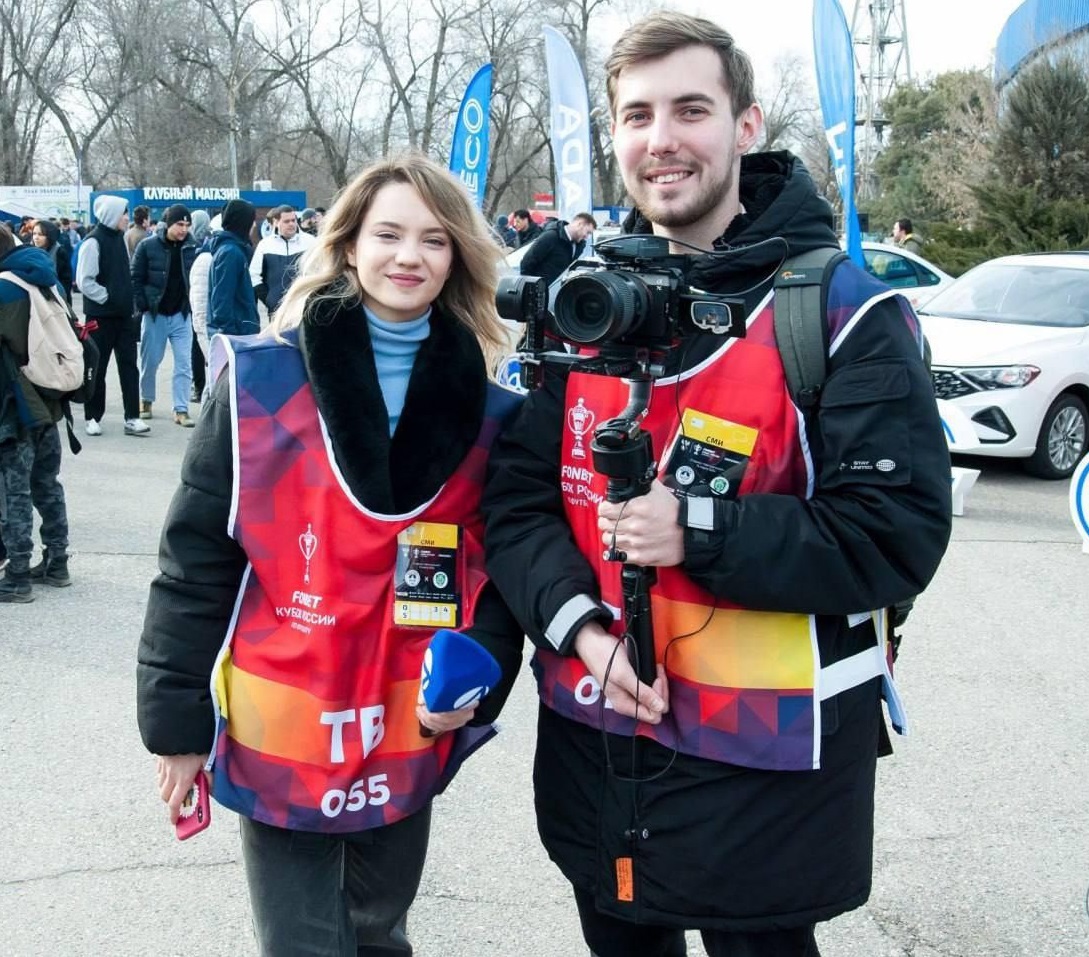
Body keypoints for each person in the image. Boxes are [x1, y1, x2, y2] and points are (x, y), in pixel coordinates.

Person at [480, 12, 952, 957]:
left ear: (745, 125)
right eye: (637, 115)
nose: (661, 139)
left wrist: (696, 531)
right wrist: (582, 633)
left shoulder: (842, 312)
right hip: (602, 745)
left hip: (766, 772)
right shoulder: (585, 303)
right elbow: (517, 505)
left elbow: (894, 532)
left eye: (690, 110)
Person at [137, 152, 525, 956]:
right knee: (303, 945)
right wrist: (176, 726)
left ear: (457, 256)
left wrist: (476, 681)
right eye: (387, 234)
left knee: (378, 935)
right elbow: (194, 566)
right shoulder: (257, 382)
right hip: (285, 726)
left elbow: (497, 584)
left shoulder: (494, 414)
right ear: (348, 244)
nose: (409, 256)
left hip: (404, 725)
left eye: (434, 239)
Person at [0, 224, 72, 601]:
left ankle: (17, 576)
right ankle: (57, 562)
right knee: (47, 483)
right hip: (50, 397)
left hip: (15, 405)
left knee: (14, 490)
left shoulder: (4, 288)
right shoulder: (44, 278)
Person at [77, 194, 149, 436]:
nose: (127, 218)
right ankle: (92, 416)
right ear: (111, 215)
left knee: (129, 366)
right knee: (97, 367)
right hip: (100, 317)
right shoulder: (92, 242)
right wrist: (108, 297)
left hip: (124, 316)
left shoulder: (120, 238)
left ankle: (132, 417)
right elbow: (85, 281)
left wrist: (125, 300)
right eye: (123, 213)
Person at [131, 204, 199, 428]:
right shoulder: (147, 246)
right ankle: (146, 399)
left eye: (187, 225)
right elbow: (135, 277)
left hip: (182, 314)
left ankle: (181, 409)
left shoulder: (193, 247)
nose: (184, 229)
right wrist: (142, 304)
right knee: (150, 361)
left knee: (184, 363)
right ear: (168, 224)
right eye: (179, 224)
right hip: (155, 314)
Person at [207, 199, 260, 342]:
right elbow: (221, 299)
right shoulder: (231, 253)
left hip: (241, 330)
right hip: (237, 334)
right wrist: (230, 335)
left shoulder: (234, 250)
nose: (254, 225)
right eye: (252, 221)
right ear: (243, 223)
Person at [249, 205, 317, 315]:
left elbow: (320, 271)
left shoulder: (310, 242)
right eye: (286, 221)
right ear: (276, 222)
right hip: (276, 312)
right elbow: (254, 275)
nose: (291, 224)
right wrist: (268, 299)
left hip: (305, 310)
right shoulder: (265, 245)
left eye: (293, 220)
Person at [519, 212, 597, 286]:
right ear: (579, 224)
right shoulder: (551, 237)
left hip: (560, 292)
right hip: (540, 291)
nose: (586, 237)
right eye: (587, 232)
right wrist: (531, 289)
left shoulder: (580, 245)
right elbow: (527, 262)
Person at [186, 210, 213, 401]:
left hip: (194, 300)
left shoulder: (190, 244)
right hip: (204, 299)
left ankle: (199, 386)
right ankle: (201, 386)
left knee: (197, 346)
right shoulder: (211, 242)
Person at [31, 220, 73, 304]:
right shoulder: (30, 251)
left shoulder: (59, 252)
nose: (36, 237)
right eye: (34, 234)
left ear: (50, 235)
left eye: (40, 234)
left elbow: (66, 280)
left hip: (56, 300)